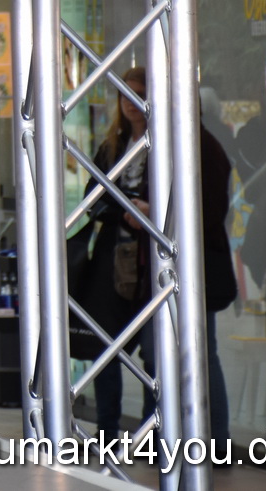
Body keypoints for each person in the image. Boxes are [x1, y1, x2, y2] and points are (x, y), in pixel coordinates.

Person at [83, 68, 235, 441]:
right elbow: (94, 197)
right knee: (109, 347)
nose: (131, 103)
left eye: (139, 94)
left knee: (188, 351)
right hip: (121, 266)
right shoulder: (113, 146)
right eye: (125, 95)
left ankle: (198, 437)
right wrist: (124, 213)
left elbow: (210, 208)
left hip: (175, 266)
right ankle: (113, 431)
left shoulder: (192, 143)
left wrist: (158, 218)